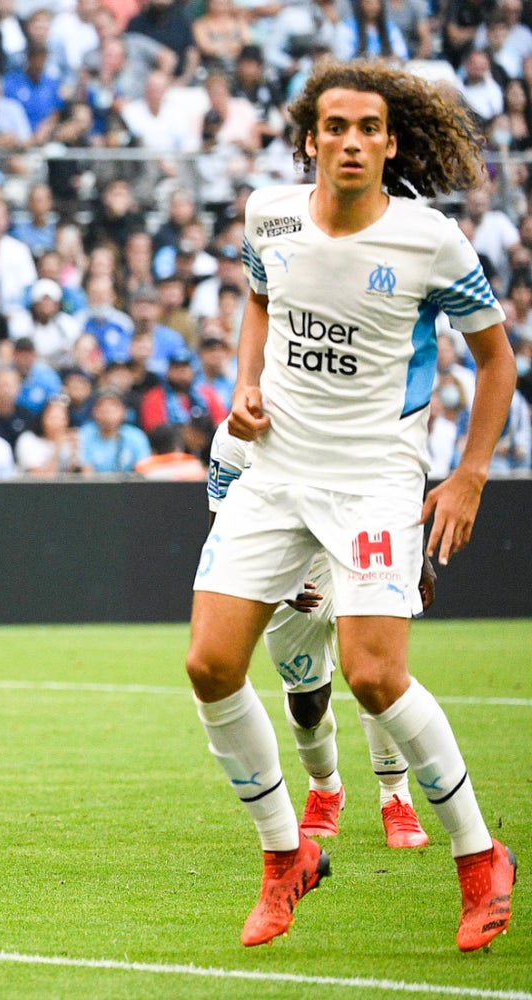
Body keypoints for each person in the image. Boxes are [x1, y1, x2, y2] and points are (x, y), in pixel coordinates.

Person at [187, 62, 515, 952]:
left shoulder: (429, 241)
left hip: (373, 477)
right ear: (312, 139)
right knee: (211, 666)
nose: (353, 141)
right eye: (336, 127)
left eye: (370, 128)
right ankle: (285, 855)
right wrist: (245, 384)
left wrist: (470, 472)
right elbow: (261, 299)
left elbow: (497, 363)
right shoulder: (270, 213)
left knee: (373, 675)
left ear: (391, 142)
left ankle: (480, 857)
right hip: (274, 469)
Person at [205, 419, 432, 851]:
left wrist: (415, 554)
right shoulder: (236, 432)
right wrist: (275, 581)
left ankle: (395, 797)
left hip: (359, 549)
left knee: (374, 678)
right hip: (292, 567)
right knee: (308, 702)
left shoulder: (349, 408)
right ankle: (325, 788)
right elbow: (224, 521)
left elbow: (393, 480)